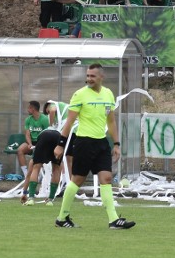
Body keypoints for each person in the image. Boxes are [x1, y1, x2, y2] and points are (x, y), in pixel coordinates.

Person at [53, 64, 135, 230]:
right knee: (78, 180)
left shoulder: (108, 94)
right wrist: (60, 144)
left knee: (106, 178)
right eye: (88, 75)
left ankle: (113, 220)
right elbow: (69, 122)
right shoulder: (79, 95)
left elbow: (111, 121)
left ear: (101, 77)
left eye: (92, 76)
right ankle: (62, 217)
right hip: (83, 142)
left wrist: (117, 143)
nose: (88, 78)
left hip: (101, 143)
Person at [17, 100, 49, 177]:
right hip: (32, 142)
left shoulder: (44, 119)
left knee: (41, 154)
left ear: (33, 109)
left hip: (42, 142)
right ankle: (26, 174)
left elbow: (47, 134)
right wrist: (30, 143)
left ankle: (41, 175)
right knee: (20, 150)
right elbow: (27, 134)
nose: (28, 110)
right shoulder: (28, 119)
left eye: (29, 108)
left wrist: (40, 145)